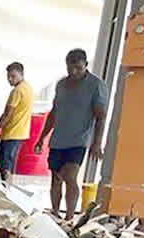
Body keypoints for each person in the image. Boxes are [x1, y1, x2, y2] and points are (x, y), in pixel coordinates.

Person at [35, 48, 108, 220]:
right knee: (56, 177)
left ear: (86, 65)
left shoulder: (96, 85)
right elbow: (54, 112)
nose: (74, 72)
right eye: (70, 67)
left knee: (69, 176)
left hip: (79, 139)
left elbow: (101, 116)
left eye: (78, 68)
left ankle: (69, 216)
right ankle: (55, 212)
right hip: (58, 139)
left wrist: (97, 143)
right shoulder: (61, 85)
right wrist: (42, 137)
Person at [0, 62, 34, 184]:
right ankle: (8, 187)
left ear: (21, 74)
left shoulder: (17, 91)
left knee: (4, 164)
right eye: (8, 76)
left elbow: (7, 114)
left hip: (12, 132)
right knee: (10, 164)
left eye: (13, 76)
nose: (10, 79)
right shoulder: (28, 88)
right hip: (21, 133)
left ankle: (6, 188)